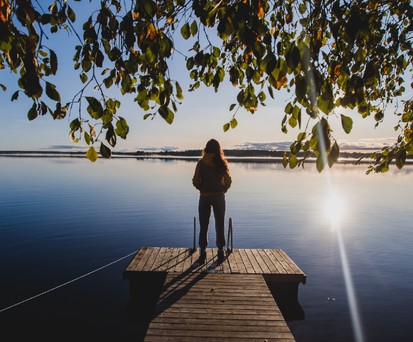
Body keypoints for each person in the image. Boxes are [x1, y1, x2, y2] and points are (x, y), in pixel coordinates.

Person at [192, 139, 232, 263]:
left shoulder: (201, 163)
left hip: (204, 197)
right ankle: (220, 251)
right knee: (219, 224)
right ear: (218, 149)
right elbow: (229, 180)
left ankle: (203, 252)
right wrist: (223, 189)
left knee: (203, 225)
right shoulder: (222, 163)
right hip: (219, 197)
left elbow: (195, 181)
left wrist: (201, 188)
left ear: (206, 149)